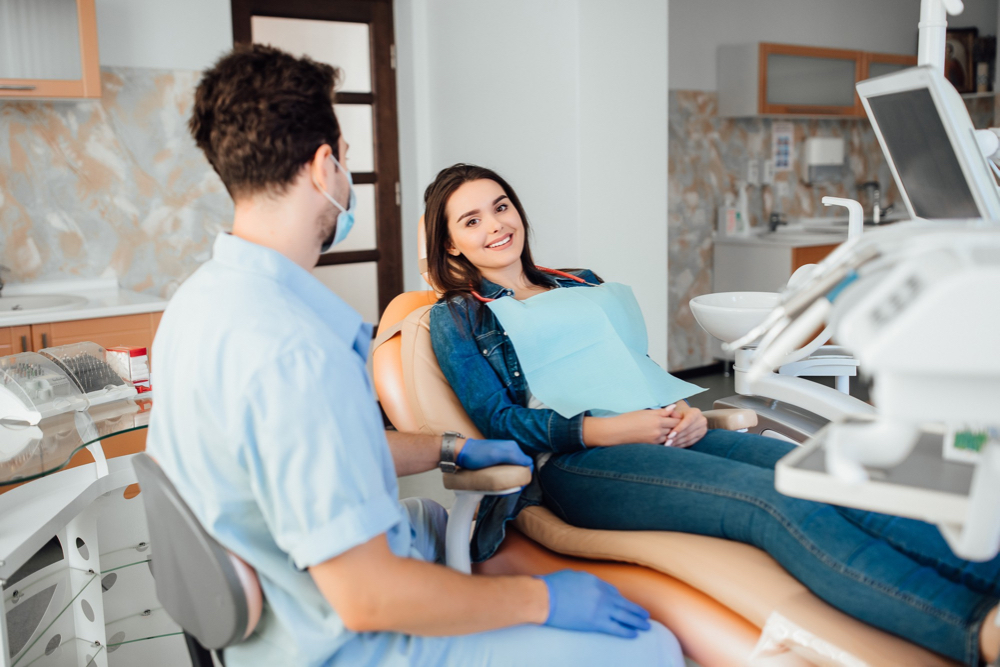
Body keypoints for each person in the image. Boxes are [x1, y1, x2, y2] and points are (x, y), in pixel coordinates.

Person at [147, 47, 683, 667]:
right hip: (348, 641)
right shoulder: (294, 353)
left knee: (431, 516)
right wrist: (539, 599)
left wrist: (448, 448)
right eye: (346, 157)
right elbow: (371, 598)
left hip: (281, 594)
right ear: (326, 166)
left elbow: (308, 449)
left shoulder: (196, 306)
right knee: (651, 646)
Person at [426, 163, 1000, 665]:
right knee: (769, 505)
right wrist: (609, 429)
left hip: (666, 430)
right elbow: (499, 420)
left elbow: (630, 370)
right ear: (451, 244)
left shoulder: (580, 282)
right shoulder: (459, 318)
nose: (496, 225)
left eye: (500, 207)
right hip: (578, 462)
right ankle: (975, 629)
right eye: (471, 220)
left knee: (820, 475)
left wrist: (684, 412)